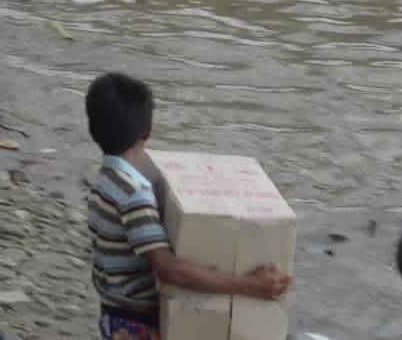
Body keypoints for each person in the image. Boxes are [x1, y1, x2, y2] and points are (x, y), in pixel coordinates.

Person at [85, 72, 294, 340]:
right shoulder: (134, 194)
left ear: (93, 130)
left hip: (113, 313)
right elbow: (168, 269)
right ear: (149, 129)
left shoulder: (104, 180)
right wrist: (250, 285)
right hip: (137, 324)